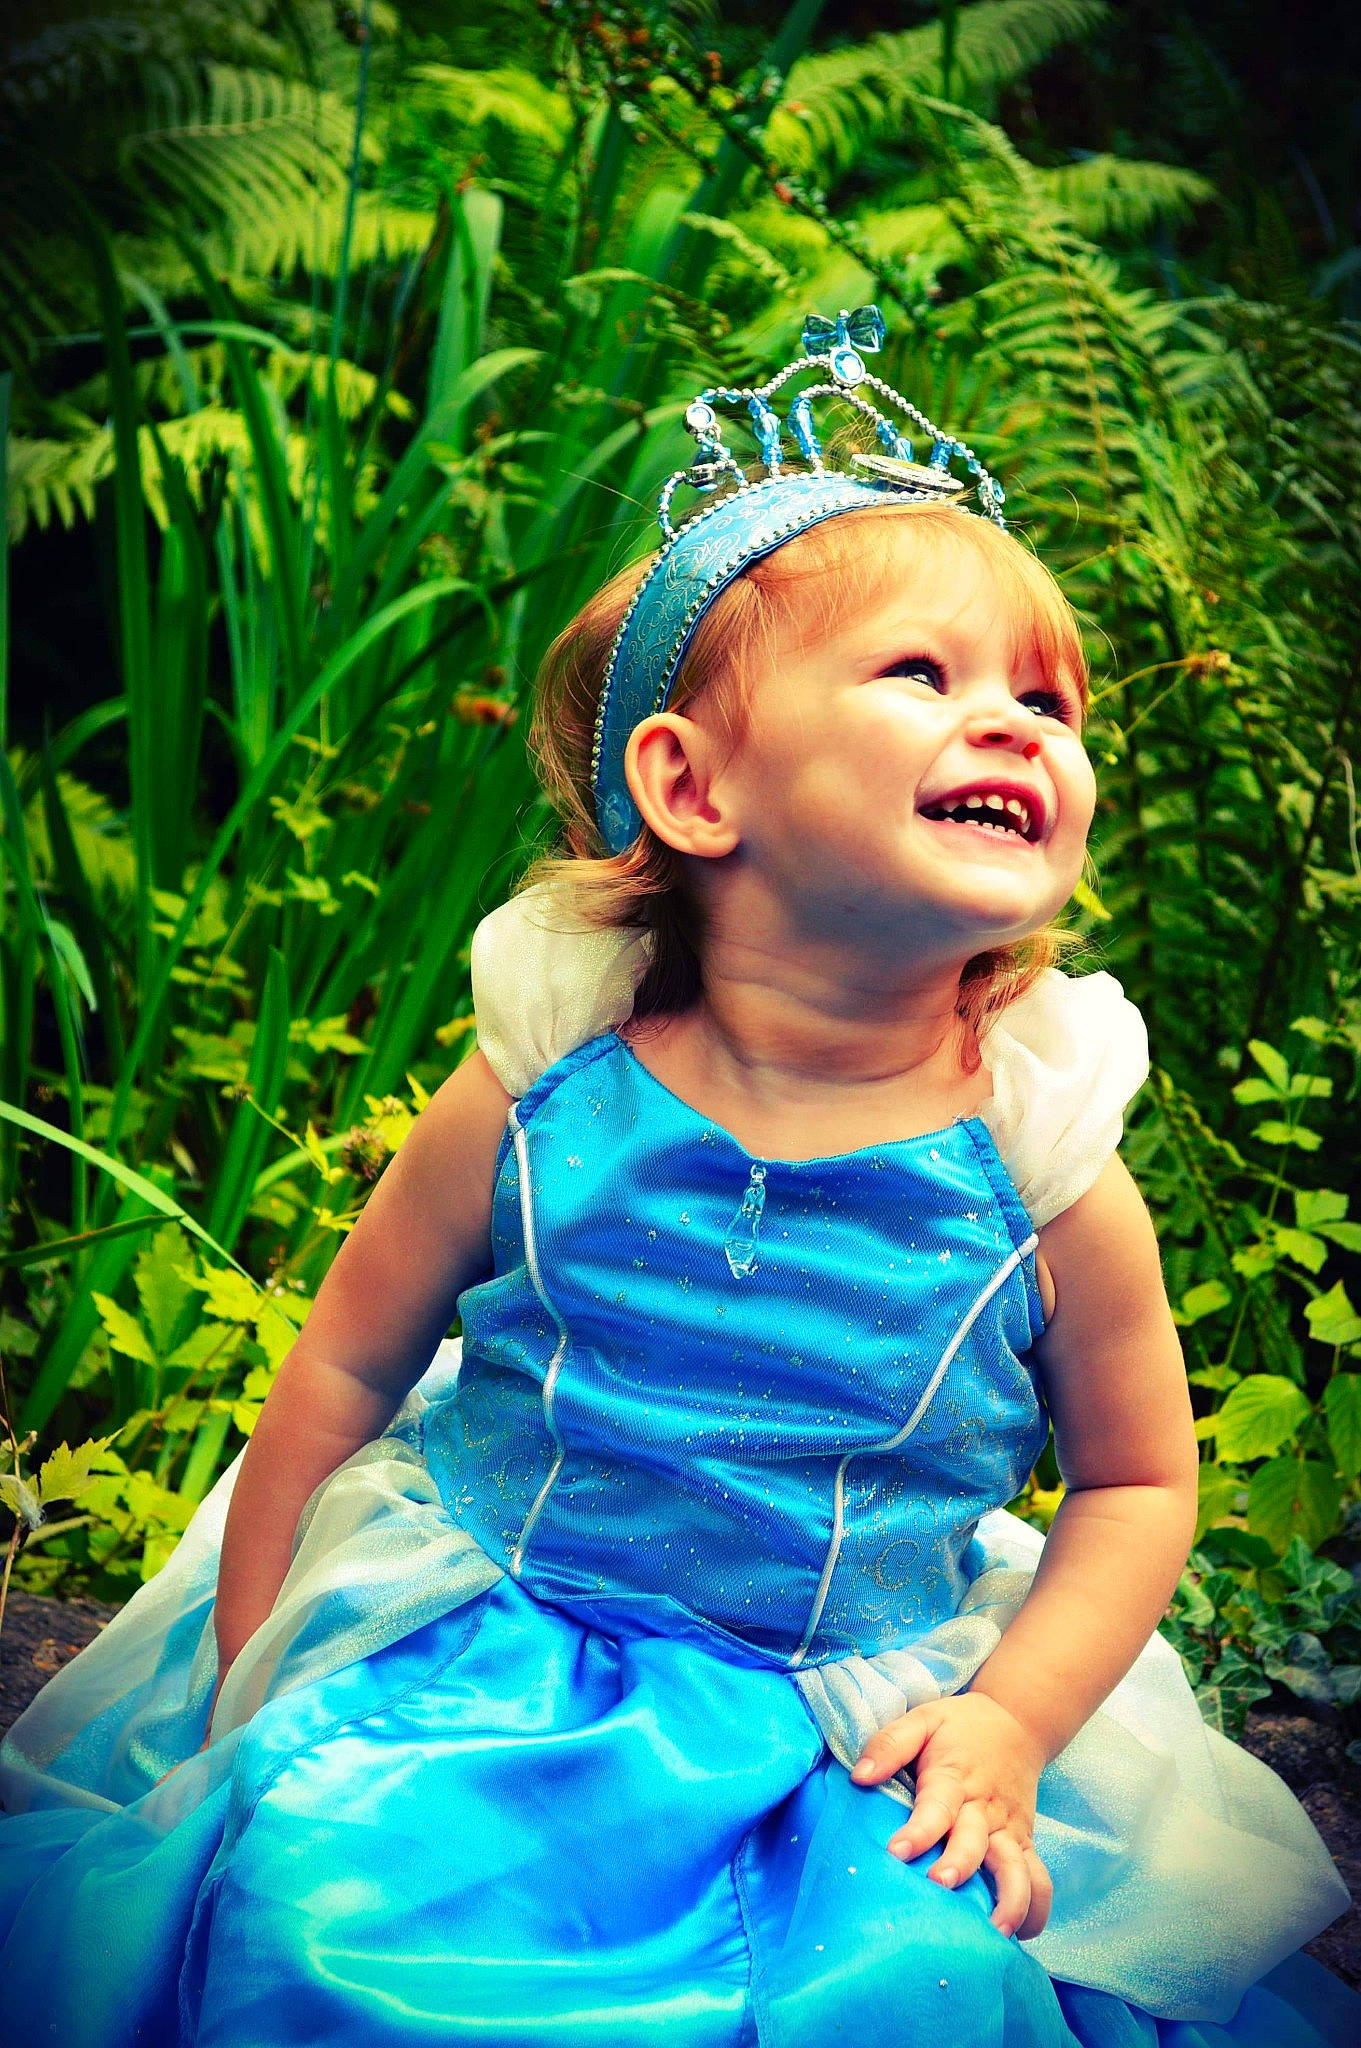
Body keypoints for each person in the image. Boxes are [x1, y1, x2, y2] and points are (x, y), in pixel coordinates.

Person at [1, 310, 1356, 2048]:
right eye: (922, 676)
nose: (1013, 724)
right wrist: (248, 1661)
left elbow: (1137, 1486)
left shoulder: (1036, 1163)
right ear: (692, 787)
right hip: (490, 1646)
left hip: (846, 1709)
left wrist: (1009, 1723)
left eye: (1046, 697)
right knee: (319, 1904)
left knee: (904, 1986)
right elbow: (345, 1363)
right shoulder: (548, 1080)